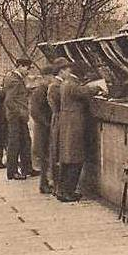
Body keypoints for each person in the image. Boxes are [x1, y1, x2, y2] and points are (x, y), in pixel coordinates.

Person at [54, 61, 105, 202]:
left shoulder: (65, 83)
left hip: (68, 124)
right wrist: (98, 87)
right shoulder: (71, 83)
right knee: (75, 158)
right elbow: (83, 91)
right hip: (74, 125)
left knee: (66, 159)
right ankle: (68, 192)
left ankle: (62, 191)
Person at [2, 58, 39, 180]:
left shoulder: (13, 78)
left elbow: (18, 95)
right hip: (16, 117)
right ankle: (12, 172)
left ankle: (27, 168)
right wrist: (21, 113)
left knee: (25, 142)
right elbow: (9, 101)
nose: (28, 72)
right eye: (27, 68)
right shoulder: (15, 81)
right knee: (15, 144)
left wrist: (29, 89)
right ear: (21, 66)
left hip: (18, 116)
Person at [45, 57, 70, 195]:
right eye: (67, 71)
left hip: (57, 119)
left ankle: (56, 186)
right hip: (59, 120)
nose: (69, 73)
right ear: (61, 72)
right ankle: (57, 186)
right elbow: (60, 104)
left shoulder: (55, 84)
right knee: (58, 152)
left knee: (57, 151)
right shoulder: (56, 86)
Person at [29, 64, 55, 194]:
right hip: (43, 129)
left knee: (45, 157)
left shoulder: (41, 89)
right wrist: (47, 124)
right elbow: (34, 111)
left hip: (43, 127)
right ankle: (44, 185)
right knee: (45, 157)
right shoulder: (41, 91)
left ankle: (45, 183)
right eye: (51, 76)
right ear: (46, 77)